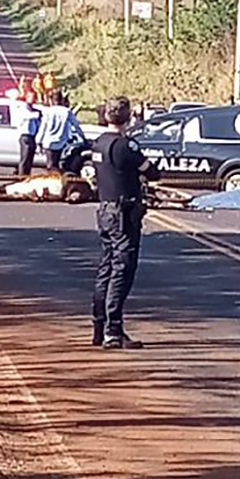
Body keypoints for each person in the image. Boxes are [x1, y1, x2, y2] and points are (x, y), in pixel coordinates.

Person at [91, 96, 160, 350]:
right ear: (128, 117)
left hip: (105, 211)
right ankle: (113, 330)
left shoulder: (98, 144)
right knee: (122, 269)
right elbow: (152, 172)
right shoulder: (125, 146)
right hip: (124, 212)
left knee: (106, 267)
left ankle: (99, 326)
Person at [35, 90, 85, 172]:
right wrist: (83, 137)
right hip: (61, 142)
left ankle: (52, 179)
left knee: (50, 164)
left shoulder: (48, 111)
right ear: (61, 100)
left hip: (49, 142)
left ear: (52, 100)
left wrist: (38, 141)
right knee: (58, 163)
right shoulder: (66, 111)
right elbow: (76, 126)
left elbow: (43, 127)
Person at [17, 91, 41, 177]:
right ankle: (22, 177)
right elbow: (28, 115)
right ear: (27, 97)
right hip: (25, 136)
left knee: (30, 159)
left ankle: (27, 176)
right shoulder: (23, 107)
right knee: (25, 158)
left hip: (32, 136)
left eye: (35, 97)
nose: (34, 99)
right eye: (32, 97)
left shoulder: (33, 109)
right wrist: (39, 114)